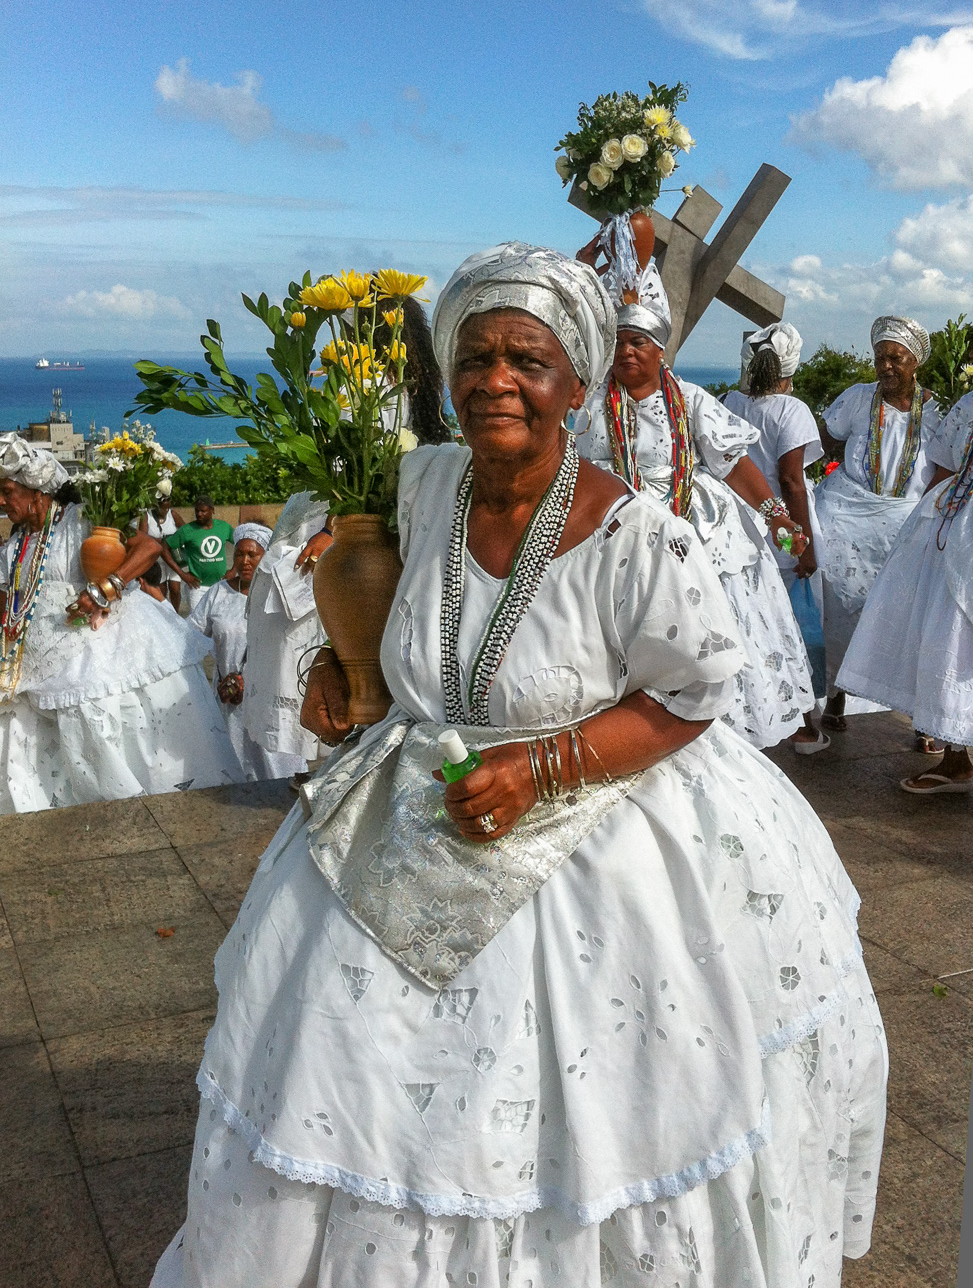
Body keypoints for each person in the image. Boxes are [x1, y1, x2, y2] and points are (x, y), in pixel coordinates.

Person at [152, 243, 886, 1288]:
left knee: (583, 1103)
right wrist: (332, 665)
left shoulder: (640, 538)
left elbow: (689, 693)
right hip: (405, 810)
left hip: (598, 814)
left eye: (527, 361)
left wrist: (540, 768)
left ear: (574, 385)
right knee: (347, 1072)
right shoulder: (420, 483)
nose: (497, 379)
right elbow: (386, 613)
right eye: (477, 357)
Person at [576, 259, 816, 749]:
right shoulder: (590, 404)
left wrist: (777, 519)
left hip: (693, 530)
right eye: (619, 342)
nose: (626, 352)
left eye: (638, 342)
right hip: (614, 527)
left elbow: (734, 464)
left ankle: (714, 731)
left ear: (660, 350)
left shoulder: (689, 398)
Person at [241, 292, 452, 781]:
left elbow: (375, 471)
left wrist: (333, 529)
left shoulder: (374, 391)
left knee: (330, 638)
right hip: (331, 516)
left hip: (349, 526)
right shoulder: (394, 391)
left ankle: (327, 757)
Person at [0, 436, 243, 813]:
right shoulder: (15, 548)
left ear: (37, 488)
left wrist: (105, 589)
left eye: (7, 491)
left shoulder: (79, 521)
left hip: (99, 647)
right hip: (33, 667)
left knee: (109, 731)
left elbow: (148, 548)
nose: (1, 502)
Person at [838, 390, 973, 792]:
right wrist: (922, 527)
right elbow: (946, 467)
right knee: (947, 635)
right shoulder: (966, 403)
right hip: (958, 527)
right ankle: (955, 757)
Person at [815, 316, 941, 742]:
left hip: (905, 524)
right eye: (879, 357)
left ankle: (923, 718)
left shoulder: (937, 411)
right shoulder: (857, 398)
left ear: (915, 361)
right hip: (847, 515)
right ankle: (835, 697)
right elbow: (827, 437)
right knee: (836, 610)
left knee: (908, 620)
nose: (885, 366)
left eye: (895, 357)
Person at [724, 322, 830, 753]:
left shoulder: (730, 402)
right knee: (794, 627)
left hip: (740, 529)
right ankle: (804, 725)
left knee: (751, 625)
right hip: (782, 534)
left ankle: (752, 718)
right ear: (790, 370)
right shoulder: (790, 410)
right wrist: (800, 546)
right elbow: (791, 482)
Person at [188, 523, 304, 782]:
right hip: (230, 700)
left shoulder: (278, 595)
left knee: (273, 765)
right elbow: (191, 637)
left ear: (266, 556)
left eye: (253, 554)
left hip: (267, 695)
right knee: (233, 764)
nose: (245, 561)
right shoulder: (218, 593)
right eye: (239, 554)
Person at [163, 495, 233, 611]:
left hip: (220, 585)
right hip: (197, 588)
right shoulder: (187, 530)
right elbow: (164, 548)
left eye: (203, 511)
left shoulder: (224, 527)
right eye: (197, 511)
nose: (199, 514)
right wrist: (182, 574)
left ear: (212, 510)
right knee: (196, 626)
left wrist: (234, 570)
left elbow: (241, 544)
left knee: (219, 623)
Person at [140, 479, 184, 611]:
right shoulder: (146, 515)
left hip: (172, 558)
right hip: (157, 560)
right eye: (162, 508)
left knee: (175, 589)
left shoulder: (173, 514)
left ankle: (175, 613)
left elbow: (185, 531)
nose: (165, 511)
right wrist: (159, 541)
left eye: (167, 508)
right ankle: (165, 613)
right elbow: (142, 536)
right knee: (162, 589)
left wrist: (173, 540)